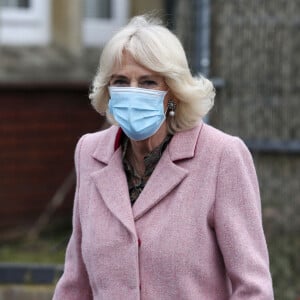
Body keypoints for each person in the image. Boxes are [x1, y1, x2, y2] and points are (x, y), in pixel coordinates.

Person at [53, 14, 274, 300]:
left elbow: (253, 289)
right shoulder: (90, 152)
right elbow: (75, 282)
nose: (132, 92)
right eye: (121, 81)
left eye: (147, 83)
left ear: (173, 92)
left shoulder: (222, 156)